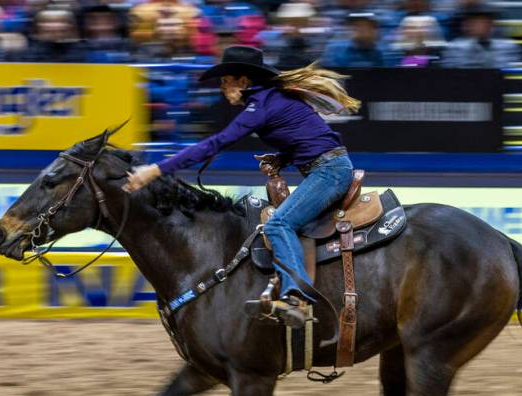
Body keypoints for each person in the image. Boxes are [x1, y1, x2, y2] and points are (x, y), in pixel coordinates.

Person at [124, 45, 360, 326]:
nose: (222, 88)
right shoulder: (273, 99)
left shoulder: (259, 105)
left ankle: (296, 297)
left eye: (225, 81)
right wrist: (282, 159)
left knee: (278, 225)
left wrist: (157, 169)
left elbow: (215, 143)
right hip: (329, 168)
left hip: (328, 173)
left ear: (243, 81)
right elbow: (318, 138)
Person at [442, 4, 521, 68]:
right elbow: (450, 75)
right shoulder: (455, 48)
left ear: (491, 24)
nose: (480, 26)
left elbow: (511, 74)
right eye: (474, 22)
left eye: (484, 22)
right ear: (467, 25)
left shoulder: (508, 47)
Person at [321, 12, 394, 67]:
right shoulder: (336, 51)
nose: (360, 29)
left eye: (365, 26)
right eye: (356, 25)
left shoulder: (385, 52)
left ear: (375, 30)